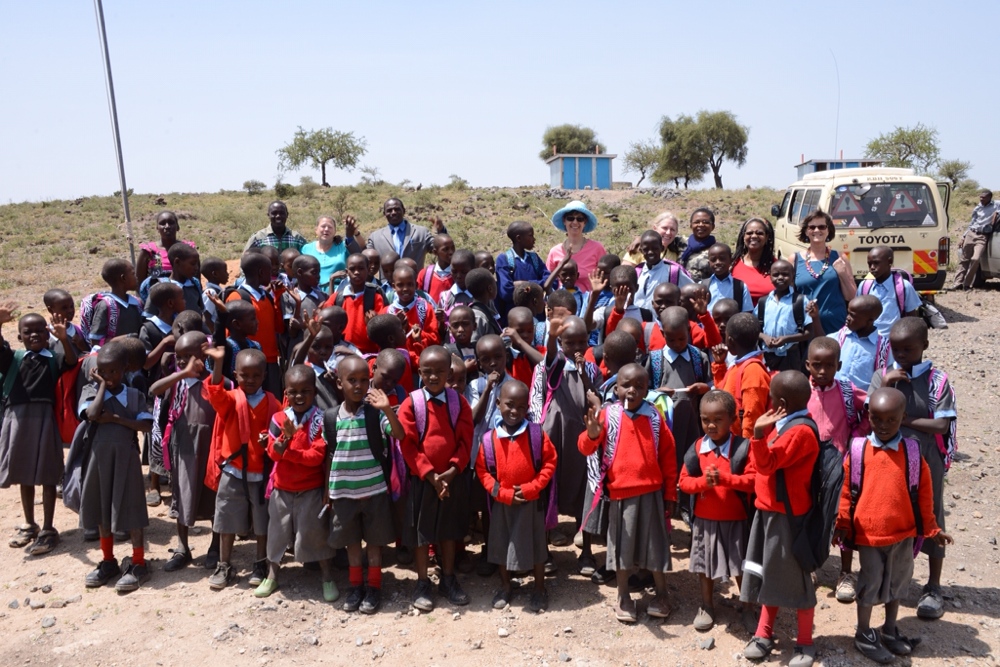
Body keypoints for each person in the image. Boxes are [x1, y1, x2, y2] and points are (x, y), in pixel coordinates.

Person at [833, 387, 952, 663]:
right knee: (870, 582)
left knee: (898, 582)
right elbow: (847, 492)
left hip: (903, 534)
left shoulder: (911, 452)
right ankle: (863, 632)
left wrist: (933, 528)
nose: (883, 426)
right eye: (876, 418)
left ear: (903, 417)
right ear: (868, 416)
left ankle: (888, 629)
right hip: (869, 535)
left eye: (891, 420)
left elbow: (924, 494)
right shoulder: (859, 449)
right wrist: (842, 524)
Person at [867, 317, 956, 622]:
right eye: (896, 347)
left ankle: (933, 587)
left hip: (926, 459)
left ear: (924, 346)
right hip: (890, 460)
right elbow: (872, 412)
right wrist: (889, 383)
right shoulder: (883, 374)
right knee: (890, 513)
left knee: (930, 515)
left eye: (908, 348)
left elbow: (941, 424)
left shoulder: (937, 380)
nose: (901, 353)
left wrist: (905, 422)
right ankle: (890, 580)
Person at [579, 363, 677, 623]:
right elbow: (585, 448)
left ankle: (662, 594)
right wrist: (591, 436)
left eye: (639, 386)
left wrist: (670, 494)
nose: (631, 390)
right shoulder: (607, 415)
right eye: (625, 385)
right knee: (621, 548)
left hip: (652, 492)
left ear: (647, 389)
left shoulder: (655, 416)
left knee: (655, 546)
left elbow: (668, 457)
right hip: (620, 494)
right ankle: (623, 597)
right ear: (616, 387)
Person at [740, 371, 820, 667]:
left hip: (787, 518)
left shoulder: (799, 432)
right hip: (770, 513)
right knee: (767, 573)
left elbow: (767, 464)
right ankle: (764, 632)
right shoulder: (785, 425)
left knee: (797, 580)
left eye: (771, 397)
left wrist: (758, 435)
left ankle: (805, 642)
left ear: (781, 402)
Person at [396, 346, 474, 612]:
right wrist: (430, 475)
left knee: (449, 531)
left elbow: (465, 442)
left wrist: (451, 473)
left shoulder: (458, 403)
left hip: (451, 480)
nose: (433, 377)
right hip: (423, 479)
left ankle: (448, 578)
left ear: (449, 373)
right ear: (419, 372)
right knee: (422, 534)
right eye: (427, 372)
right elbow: (408, 444)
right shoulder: (412, 403)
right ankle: (422, 582)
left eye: (439, 372)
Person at [326, 356, 405, 613]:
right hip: (344, 493)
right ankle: (355, 586)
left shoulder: (374, 414)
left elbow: (399, 433)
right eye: (352, 381)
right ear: (340, 383)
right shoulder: (330, 417)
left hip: (374, 491)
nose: (359, 386)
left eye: (363, 380)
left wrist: (387, 409)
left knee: (374, 543)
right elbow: (330, 455)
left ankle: (374, 587)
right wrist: (328, 491)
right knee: (351, 544)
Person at [0, 307, 78, 556]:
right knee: (24, 473)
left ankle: (47, 528)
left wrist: (64, 338)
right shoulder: (13, 358)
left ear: (47, 335)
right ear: (19, 337)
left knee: (46, 474)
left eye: (39, 331)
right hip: (18, 421)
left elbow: (71, 361)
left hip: (45, 421)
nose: (34, 335)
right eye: (27, 332)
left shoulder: (53, 358)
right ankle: (30, 524)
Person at [255, 365, 337, 600]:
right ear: (286, 393)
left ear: (314, 392)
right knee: (277, 534)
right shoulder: (279, 419)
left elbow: (316, 457)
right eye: (293, 391)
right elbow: (272, 452)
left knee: (314, 534)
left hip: (311, 489)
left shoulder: (320, 420)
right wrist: (280, 446)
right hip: (282, 489)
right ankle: (271, 576)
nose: (299, 396)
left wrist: (287, 452)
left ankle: (327, 576)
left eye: (306, 391)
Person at [678, 390, 756, 633]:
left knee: (740, 566)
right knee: (705, 566)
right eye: (704, 420)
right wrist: (704, 483)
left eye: (717, 419)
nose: (710, 425)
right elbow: (684, 483)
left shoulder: (743, 448)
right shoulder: (696, 449)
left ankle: (748, 606)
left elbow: (753, 481)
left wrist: (727, 480)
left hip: (735, 521)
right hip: (705, 521)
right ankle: (707, 605)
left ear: (733, 419)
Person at [203, 346, 281, 591]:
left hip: (260, 471)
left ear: (264, 375)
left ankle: (260, 562)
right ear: (235, 375)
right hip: (234, 469)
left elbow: (280, 428)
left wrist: (271, 441)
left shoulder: (271, 402)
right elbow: (215, 394)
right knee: (226, 516)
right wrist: (217, 364)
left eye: (255, 376)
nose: (249, 380)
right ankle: (224, 564)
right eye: (244, 375)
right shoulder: (231, 398)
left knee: (261, 521)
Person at [78, 342, 153, 592]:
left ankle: (139, 561)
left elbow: (145, 426)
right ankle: (108, 560)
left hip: (127, 458)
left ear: (125, 369)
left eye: (113, 372)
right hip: (99, 459)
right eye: (103, 371)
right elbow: (91, 414)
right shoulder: (91, 391)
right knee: (102, 508)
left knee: (132, 509)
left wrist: (116, 419)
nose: (108, 377)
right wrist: (100, 386)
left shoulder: (134, 395)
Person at [476, 380, 557, 613]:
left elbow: (550, 462)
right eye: (510, 404)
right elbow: (482, 470)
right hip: (502, 502)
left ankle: (540, 588)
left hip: (531, 501)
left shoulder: (536, 434)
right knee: (501, 544)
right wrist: (501, 493)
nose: (515, 411)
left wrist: (534, 487)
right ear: (499, 403)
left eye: (522, 407)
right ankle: (505, 586)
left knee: (537, 546)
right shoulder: (489, 439)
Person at [528, 315, 601, 561]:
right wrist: (550, 337)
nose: (578, 348)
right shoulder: (554, 363)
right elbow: (550, 357)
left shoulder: (590, 368)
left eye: (583, 342)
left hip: (582, 437)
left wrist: (583, 373)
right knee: (549, 486)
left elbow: (594, 396)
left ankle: (587, 551)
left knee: (585, 486)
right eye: (571, 343)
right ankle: (544, 549)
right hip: (554, 433)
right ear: (561, 343)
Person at [148, 332, 221, 573]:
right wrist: (182, 373)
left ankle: (215, 546)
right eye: (178, 357)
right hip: (183, 450)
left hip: (209, 449)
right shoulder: (176, 382)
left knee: (212, 497)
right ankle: (182, 547)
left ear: (203, 354)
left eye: (188, 357)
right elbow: (153, 390)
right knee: (181, 496)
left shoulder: (215, 381)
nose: (182, 361)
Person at [227, 252, 285, 397]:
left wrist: (277, 298)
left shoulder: (266, 296)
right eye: (269, 271)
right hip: (249, 367)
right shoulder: (238, 297)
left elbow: (278, 328)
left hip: (270, 362)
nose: (273, 275)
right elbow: (229, 337)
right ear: (261, 272)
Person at [793, 210, 855, 335]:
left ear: (828, 230)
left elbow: (851, 296)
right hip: (805, 328)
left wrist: (842, 274)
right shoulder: (794, 259)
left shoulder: (839, 257)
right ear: (806, 231)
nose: (817, 230)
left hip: (836, 325)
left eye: (821, 226)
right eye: (812, 227)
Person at [711, 313, 771, 439]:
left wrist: (745, 450)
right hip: (731, 442)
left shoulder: (753, 371)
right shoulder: (737, 365)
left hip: (742, 446)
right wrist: (720, 365)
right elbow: (722, 394)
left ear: (730, 340)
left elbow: (752, 417)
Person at [755, 259, 816, 372]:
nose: (780, 277)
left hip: (791, 356)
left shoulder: (800, 301)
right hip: (766, 356)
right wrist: (764, 337)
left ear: (793, 276)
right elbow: (754, 329)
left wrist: (786, 339)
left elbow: (809, 332)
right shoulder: (763, 302)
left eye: (785, 274)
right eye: (776, 274)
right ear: (770, 277)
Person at [322, 253, 385, 355]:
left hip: (368, 353)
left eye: (361, 268)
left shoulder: (375, 297)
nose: (356, 272)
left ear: (368, 270)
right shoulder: (337, 298)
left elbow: (383, 325)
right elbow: (324, 322)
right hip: (340, 351)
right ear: (347, 272)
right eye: (352, 269)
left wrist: (374, 322)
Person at [365, 198, 446, 273]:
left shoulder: (421, 232)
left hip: (414, 283)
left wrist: (441, 231)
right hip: (386, 286)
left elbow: (439, 250)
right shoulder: (375, 237)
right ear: (384, 213)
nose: (393, 212)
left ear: (404, 211)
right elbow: (364, 259)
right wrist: (354, 236)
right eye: (389, 210)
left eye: (397, 209)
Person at [830, 295, 890, 393]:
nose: (848, 318)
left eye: (853, 315)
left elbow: (886, 376)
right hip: (836, 397)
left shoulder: (885, 348)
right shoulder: (837, 338)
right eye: (848, 313)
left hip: (864, 401)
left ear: (870, 320)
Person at [858, 246, 922, 337]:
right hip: (870, 341)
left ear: (889, 262)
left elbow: (912, 318)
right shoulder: (864, 286)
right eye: (869, 264)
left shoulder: (904, 287)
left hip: (893, 342)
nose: (872, 267)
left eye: (876, 263)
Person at [546, 200, 607, 292]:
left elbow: (606, 277)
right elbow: (548, 281)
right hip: (562, 303)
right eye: (570, 218)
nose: (575, 222)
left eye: (580, 219)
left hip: (591, 303)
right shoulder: (554, 252)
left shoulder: (597, 248)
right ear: (564, 221)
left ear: (585, 222)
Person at [496, 221, 551, 319]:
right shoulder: (504, 259)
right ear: (518, 238)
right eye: (530, 236)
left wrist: (523, 284)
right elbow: (506, 292)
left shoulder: (534, 258)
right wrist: (538, 287)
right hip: (516, 318)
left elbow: (551, 281)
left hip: (538, 317)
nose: (534, 239)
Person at [301, 215, 365, 291]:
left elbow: (361, 251)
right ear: (316, 230)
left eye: (330, 227)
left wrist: (352, 234)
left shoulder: (343, 246)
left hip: (340, 293)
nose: (326, 229)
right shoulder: (306, 249)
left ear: (335, 231)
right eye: (323, 226)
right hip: (312, 294)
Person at [136, 210, 197, 290]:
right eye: (162, 223)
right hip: (156, 298)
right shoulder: (149, 251)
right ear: (157, 228)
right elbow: (139, 283)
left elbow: (196, 279)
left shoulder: (188, 249)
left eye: (171, 222)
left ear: (178, 227)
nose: (167, 226)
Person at [951, 188, 999, 291]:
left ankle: (967, 284)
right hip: (971, 234)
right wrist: (963, 237)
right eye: (980, 197)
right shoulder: (977, 208)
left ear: (989, 198)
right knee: (964, 260)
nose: (981, 199)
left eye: (983, 198)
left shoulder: (996, 205)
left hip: (982, 237)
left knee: (976, 259)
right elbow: (971, 223)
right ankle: (957, 283)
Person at [87, 258, 144, 343]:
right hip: (114, 354)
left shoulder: (137, 303)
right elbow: (96, 340)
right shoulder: (106, 305)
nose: (136, 277)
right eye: (133, 274)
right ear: (123, 278)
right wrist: (128, 338)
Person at [385, 265, 440, 352]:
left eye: (410, 284)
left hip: (421, 359)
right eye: (400, 285)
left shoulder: (425, 308)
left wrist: (415, 331)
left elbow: (435, 338)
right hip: (397, 360)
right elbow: (383, 342)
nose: (405, 289)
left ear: (416, 285)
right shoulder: (387, 312)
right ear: (393, 287)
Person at [634, 230, 693, 309]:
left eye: (655, 248)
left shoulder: (673, 271)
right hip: (639, 319)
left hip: (664, 319)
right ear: (641, 250)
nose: (650, 252)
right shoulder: (637, 271)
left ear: (662, 248)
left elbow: (692, 291)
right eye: (646, 249)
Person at [731, 217, 778, 307]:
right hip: (737, 319)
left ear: (767, 237)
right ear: (743, 236)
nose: (754, 236)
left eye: (759, 233)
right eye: (749, 233)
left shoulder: (776, 266)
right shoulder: (732, 265)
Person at [704, 243, 753, 313]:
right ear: (709, 263)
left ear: (731, 260)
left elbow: (747, 312)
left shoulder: (740, 286)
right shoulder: (703, 285)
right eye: (713, 259)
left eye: (722, 259)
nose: (717, 262)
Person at [243, 200, 307, 253]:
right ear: (268, 215)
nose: (278, 216)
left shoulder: (297, 238)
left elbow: (307, 260)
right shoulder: (258, 238)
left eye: (282, 213)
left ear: (287, 215)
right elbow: (245, 262)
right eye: (274, 213)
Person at [416, 233, 456, 304]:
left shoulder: (458, 274)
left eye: (453, 248)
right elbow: (418, 297)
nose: (451, 252)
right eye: (445, 249)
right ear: (435, 252)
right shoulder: (425, 274)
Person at [680, 208, 717, 282]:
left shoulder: (717, 250)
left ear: (712, 226)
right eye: (696, 222)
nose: (701, 225)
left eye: (706, 222)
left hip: (700, 291)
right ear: (691, 225)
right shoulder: (680, 243)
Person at [436, 249, 475, 318]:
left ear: (473, 269)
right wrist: (441, 320)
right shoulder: (445, 297)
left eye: (464, 272)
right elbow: (441, 327)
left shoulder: (481, 295)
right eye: (454, 271)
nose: (458, 276)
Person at [466, 267, 502, 341]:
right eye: (494, 282)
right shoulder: (478, 316)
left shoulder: (489, 306)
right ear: (490, 289)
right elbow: (474, 343)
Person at [200, 257, 230, 335]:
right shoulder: (211, 292)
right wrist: (216, 334)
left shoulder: (218, 291)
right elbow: (206, 319)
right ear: (215, 274)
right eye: (225, 271)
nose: (227, 274)